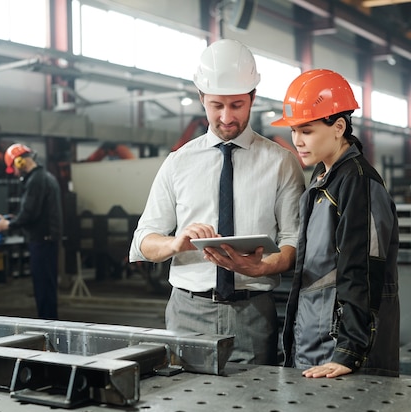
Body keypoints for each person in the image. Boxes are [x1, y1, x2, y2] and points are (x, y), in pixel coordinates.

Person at [129, 39, 305, 365]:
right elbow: (143, 241)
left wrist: (263, 266)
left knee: (255, 406)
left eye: (237, 105)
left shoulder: (281, 162)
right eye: (216, 105)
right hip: (187, 312)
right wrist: (175, 244)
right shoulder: (178, 162)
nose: (226, 117)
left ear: (253, 97)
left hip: (253, 311)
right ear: (201, 98)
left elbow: (294, 241)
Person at [271, 69, 400, 378]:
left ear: (338, 127)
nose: (297, 141)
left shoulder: (357, 182)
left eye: (307, 131)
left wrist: (350, 351)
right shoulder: (324, 179)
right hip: (317, 337)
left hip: (342, 347)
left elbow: (363, 268)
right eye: (294, 131)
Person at [0, 143, 63, 320]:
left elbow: (29, 214)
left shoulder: (35, 181)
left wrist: (6, 225)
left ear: (19, 163)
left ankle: (48, 330)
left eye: (13, 169)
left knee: (44, 289)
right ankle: (49, 326)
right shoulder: (45, 177)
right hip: (47, 240)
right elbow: (34, 211)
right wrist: (13, 217)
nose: (15, 174)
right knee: (47, 287)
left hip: (42, 242)